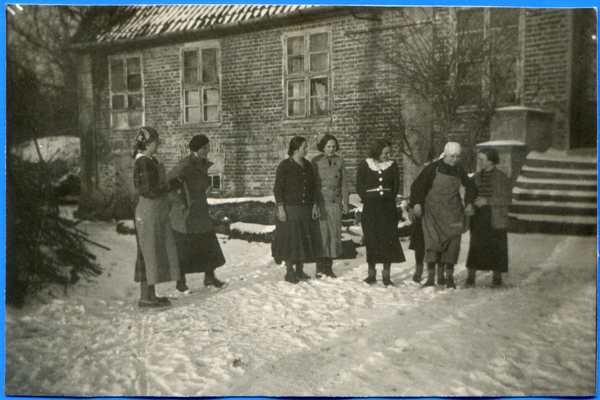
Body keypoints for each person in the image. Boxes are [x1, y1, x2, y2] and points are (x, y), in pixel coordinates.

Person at [410, 142, 477, 289]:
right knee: (433, 245)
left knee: (453, 246)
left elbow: (470, 186)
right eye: (452, 156)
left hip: (453, 212)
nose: (455, 159)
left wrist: (469, 202)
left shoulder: (459, 170)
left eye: (458, 156)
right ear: (445, 154)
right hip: (433, 213)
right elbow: (417, 186)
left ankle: (449, 277)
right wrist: (416, 203)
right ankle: (431, 278)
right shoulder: (433, 168)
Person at [168, 135, 226, 293]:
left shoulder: (201, 163)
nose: (207, 151)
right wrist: (179, 202)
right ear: (196, 150)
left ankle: (209, 277)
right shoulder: (185, 165)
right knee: (184, 249)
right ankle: (181, 284)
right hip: (186, 215)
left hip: (201, 212)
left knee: (208, 243)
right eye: (204, 148)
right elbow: (167, 184)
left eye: (207, 147)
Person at [132, 126, 180, 308]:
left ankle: (151, 295)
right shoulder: (143, 163)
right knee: (148, 254)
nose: (159, 143)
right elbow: (149, 191)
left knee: (154, 254)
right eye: (157, 140)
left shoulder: (150, 161)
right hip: (148, 213)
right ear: (149, 143)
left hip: (155, 213)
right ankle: (145, 298)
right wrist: (170, 186)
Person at [356, 139, 405, 286]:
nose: (388, 155)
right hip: (371, 207)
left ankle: (386, 275)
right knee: (372, 238)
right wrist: (369, 198)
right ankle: (371, 275)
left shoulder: (392, 165)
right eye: (385, 153)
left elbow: (396, 185)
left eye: (390, 152)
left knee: (387, 239)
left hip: (387, 208)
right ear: (377, 152)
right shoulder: (365, 164)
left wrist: (388, 198)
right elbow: (360, 185)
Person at [272, 136, 320, 284]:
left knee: (303, 240)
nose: (307, 150)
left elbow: (313, 188)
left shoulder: (307, 165)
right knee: (290, 241)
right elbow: (278, 189)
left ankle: (299, 269)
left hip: (305, 209)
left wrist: (314, 205)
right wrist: (281, 209)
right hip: (290, 209)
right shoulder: (285, 166)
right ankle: (289, 271)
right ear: (296, 149)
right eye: (305, 147)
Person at [465, 148, 512, 288]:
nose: (478, 162)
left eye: (482, 159)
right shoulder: (475, 177)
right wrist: (469, 204)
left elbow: (508, 199)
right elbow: (469, 193)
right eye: (478, 159)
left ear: (491, 160)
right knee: (475, 246)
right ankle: (471, 277)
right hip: (478, 217)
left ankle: (497, 278)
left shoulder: (502, 177)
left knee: (497, 247)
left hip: (495, 216)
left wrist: (488, 201)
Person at [311, 134, 349, 278]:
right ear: (323, 147)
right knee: (322, 236)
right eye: (328, 146)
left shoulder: (340, 161)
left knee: (334, 235)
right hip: (321, 203)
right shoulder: (316, 161)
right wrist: (314, 204)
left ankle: (329, 267)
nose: (331, 149)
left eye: (334, 146)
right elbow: (313, 185)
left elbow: (344, 183)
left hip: (335, 203)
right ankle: (319, 267)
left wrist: (345, 202)